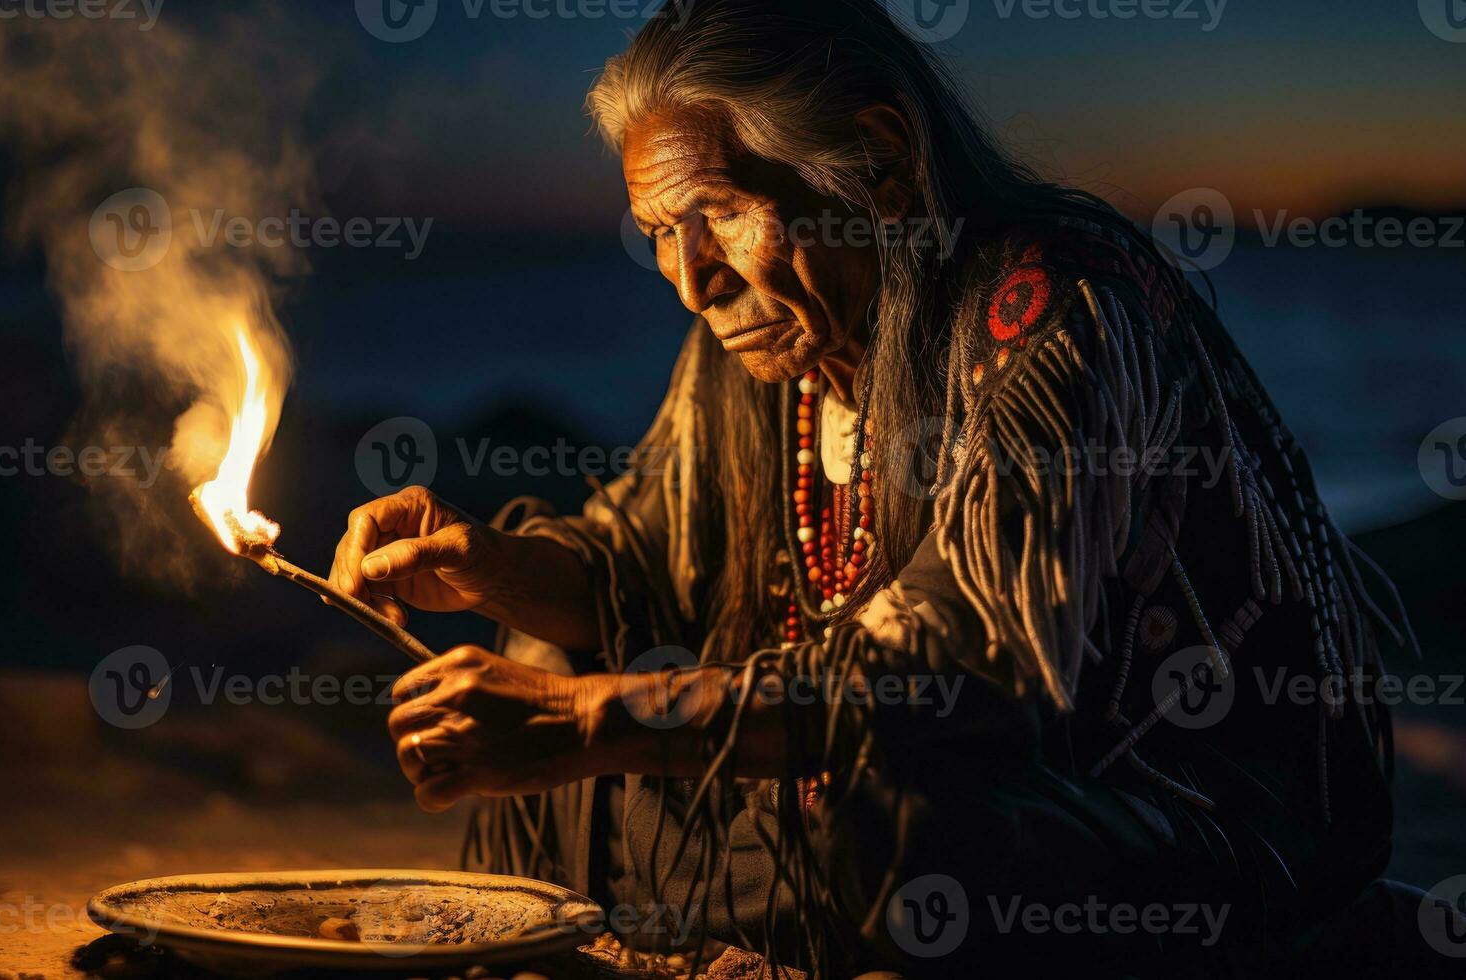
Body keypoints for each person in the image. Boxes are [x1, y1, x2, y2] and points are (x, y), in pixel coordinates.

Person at [328, 1, 1424, 973]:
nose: (690, 279)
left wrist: (588, 723)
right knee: (553, 656)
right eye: (661, 233)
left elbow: (961, 671)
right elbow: (639, 566)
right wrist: (490, 567)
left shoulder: (1055, 310)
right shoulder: (755, 347)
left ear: (882, 163)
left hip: (1171, 813)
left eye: (720, 213)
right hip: (875, 802)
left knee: (891, 819)